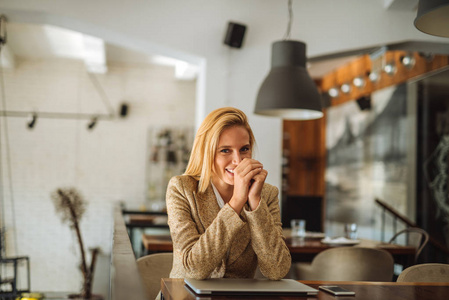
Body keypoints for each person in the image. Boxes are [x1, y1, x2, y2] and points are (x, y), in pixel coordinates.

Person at [166, 107, 291, 280]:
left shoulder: (266, 194)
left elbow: (277, 270)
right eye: (225, 150)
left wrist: (255, 204)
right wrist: (237, 201)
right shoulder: (181, 189)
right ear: (206, 153)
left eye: (244, 149)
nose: (238, 160)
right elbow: (193, 270)